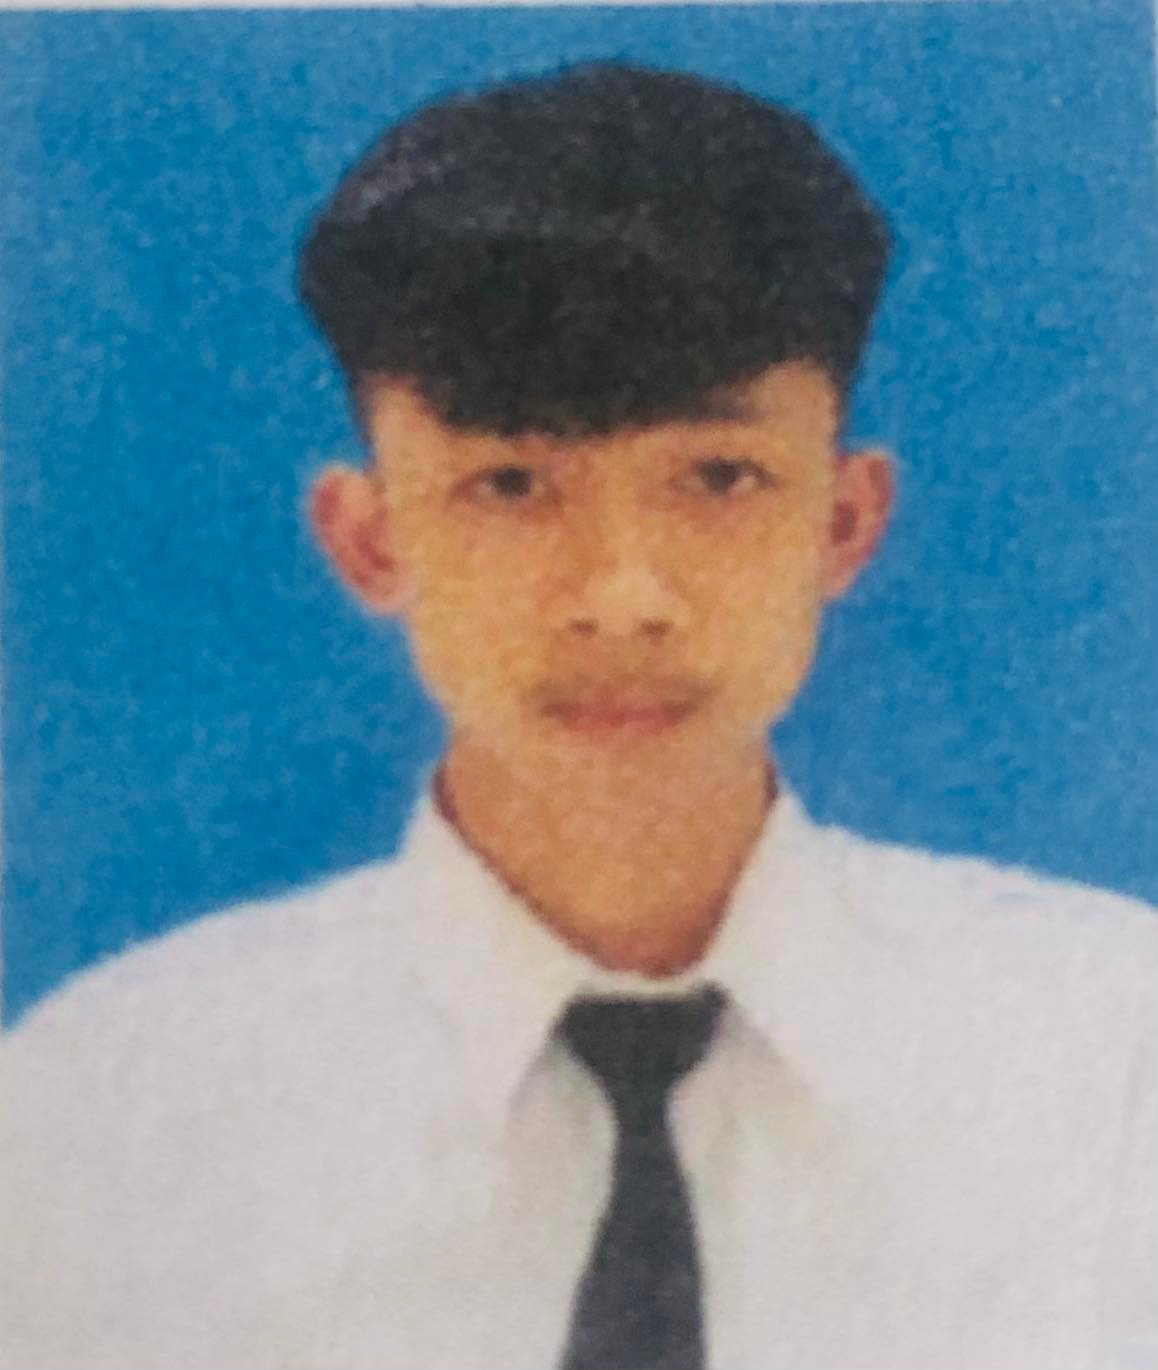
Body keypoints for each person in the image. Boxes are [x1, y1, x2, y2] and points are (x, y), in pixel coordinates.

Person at [2, 60, 1155, 1370]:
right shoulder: (107, 1122)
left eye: (718, 478)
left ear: (843, 522)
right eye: (509, 484)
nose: (622, 598)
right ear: (370, 541)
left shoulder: (1113, 1062)